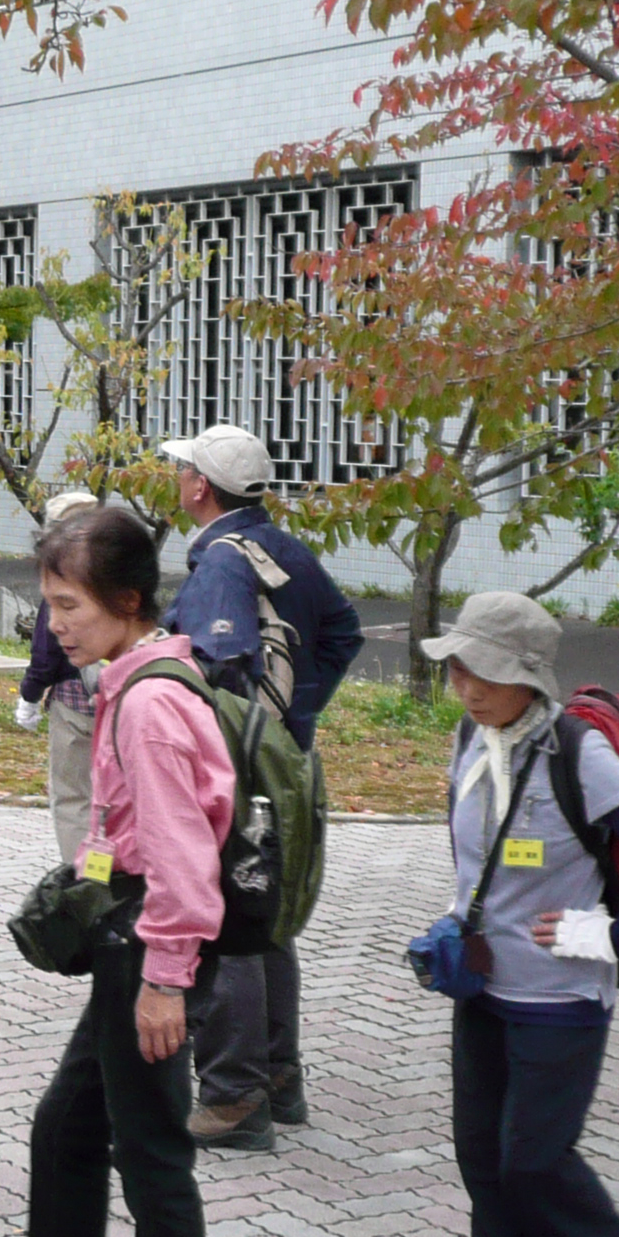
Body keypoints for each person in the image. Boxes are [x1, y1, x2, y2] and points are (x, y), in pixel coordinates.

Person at [0, 503, 225, 1237]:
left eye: (70, 606)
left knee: (153, 1150)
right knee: (68, 1126)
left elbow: (187, 863)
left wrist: (165, 982)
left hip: (150, 952)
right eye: (47, 605)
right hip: (131, 942)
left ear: (126, 602)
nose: (55, 626)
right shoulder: (135, 679)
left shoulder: (152, 704)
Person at [422, 592, 619, 1237]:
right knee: (482, 1153)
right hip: (485, 987)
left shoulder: (577, 751)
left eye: (485, 673)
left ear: (531, 678)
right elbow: (476, 855)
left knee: (533, 1157)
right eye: (460, 667)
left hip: (561, 995)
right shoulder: (473, 737)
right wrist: (452, 918)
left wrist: (613, 935)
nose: (467, 686)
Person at [161, 422, 364, 1153]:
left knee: (229, 924)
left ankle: (232, 1097)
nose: (177, 478)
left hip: (235, 772)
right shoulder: (285, 548)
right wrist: (297, 721)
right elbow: (344, 631)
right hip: (284, 768)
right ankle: (281, 1081)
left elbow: (221, 668)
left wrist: (222, 754)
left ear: (199, 487)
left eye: (182, 468)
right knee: (266, 913)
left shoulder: (219, 562)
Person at [12, 487, 104, 866]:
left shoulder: (60, 582)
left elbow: (46, 654)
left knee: (73, 798)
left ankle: (86, 879)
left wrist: (29, 697)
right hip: (120, 698)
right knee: (111, 796)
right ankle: (112, 872)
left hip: (73, 703)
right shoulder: (112, 572)